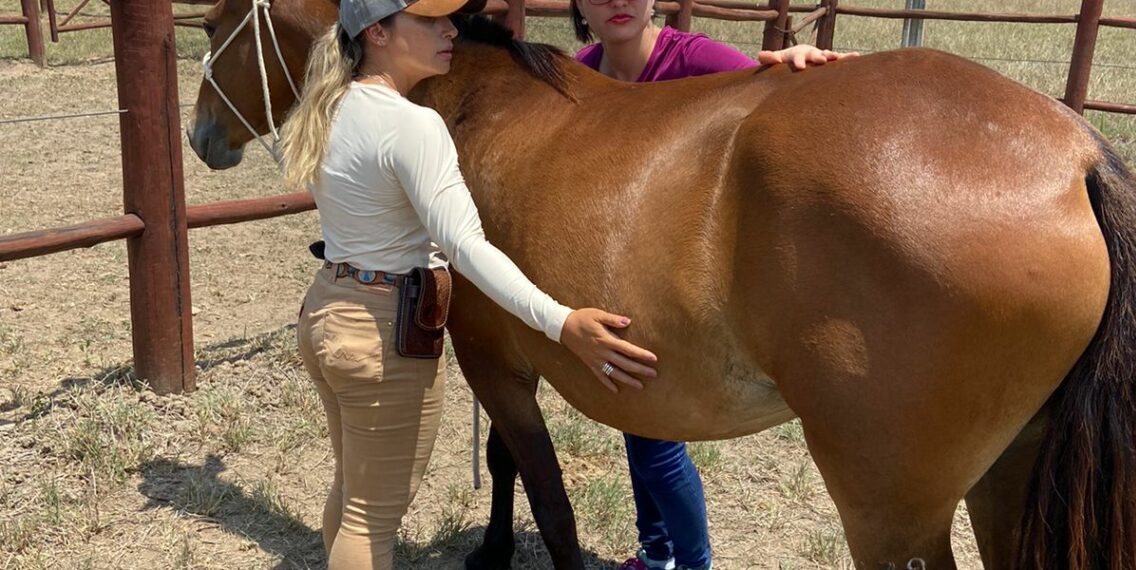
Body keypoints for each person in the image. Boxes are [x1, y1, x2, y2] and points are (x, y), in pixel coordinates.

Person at [276, 0, 659, 567]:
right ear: (378, 32)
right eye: (428, 21)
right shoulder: (413, 124)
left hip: (330, 311)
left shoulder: (332, 105)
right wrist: (561, 322)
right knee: (371, 520)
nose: (450, 29)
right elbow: (467, 248)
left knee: (353, 496)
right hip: (383, 334)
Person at [570, 1, 857, 568]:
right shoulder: (583, 76)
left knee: (654, 445)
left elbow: (768, 89)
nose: (618, 1)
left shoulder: (694, 59)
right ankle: (657, 553)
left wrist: (794, 61)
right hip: (618, 282)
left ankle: (690, 561)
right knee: (639, 432)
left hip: (685, 288)